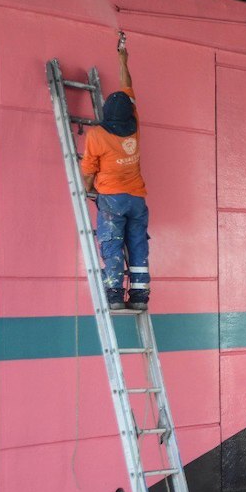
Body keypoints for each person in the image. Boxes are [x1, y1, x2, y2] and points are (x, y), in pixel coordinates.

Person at [80, 36, 151, 311]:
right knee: (137, 246)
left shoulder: (97, 135)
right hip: (137, 200)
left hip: (111, 198)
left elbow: (87, 171)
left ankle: (113, 295)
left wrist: (88, 189)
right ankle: (139, 297)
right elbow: (128, 85)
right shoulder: (134, 123)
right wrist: (123, 57)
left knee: (111, 244)